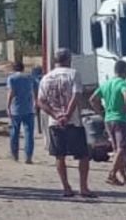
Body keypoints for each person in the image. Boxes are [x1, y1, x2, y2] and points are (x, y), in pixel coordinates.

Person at [38, 48, 95, 199]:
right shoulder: (73, 74)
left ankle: (66, 187)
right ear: (69, 59)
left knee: (59, 156)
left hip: (54, 123)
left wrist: (56, 115)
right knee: (83, 155)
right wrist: (67, 115)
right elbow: (76, 95)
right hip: (74, 122)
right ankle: (83, 187)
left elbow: (41, 101)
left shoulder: (46, 78)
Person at [90, 59, 126, 186]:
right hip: (121, 119)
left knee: (116, 149)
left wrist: (101, 112)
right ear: (125, 72)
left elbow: (93, 99)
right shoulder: (123, 83)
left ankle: (123, 177)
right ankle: (112, 174)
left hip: (108, 119)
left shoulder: (106, 84)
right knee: (122, 148)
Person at [6, 60, 38, 164]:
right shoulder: (29, 77)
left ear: (14, 68)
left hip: (16, 109)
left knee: (15, 132)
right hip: (29, 108)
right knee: (29, 133)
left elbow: (11, 92)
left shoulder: (12, 78)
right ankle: (28, 157)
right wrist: (35, 102)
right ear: (23, 68)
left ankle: (15, 155)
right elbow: (35, 90)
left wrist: (8, 106)